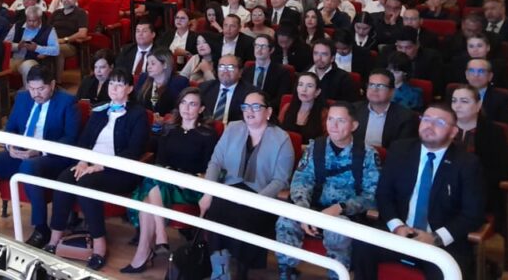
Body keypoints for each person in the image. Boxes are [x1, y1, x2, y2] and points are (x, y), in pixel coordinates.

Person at [352, 103, 486, 280]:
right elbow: (384, 195)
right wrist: (397, 226)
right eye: (426, 119)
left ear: (453, 132)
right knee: (362, 246)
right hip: (400, 232)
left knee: (449, 271)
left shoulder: (467, 163)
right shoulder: (400, 149)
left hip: (441, 242)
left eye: (439, 122)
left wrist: (436, 238)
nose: (429, 125)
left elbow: (472, 214)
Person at [43, 69, 149, 271]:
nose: (114, 88)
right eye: (111, 84)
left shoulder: (138, 114)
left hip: (120, 170)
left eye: (119, 84)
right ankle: (54, 238)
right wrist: (83, 162)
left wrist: (101, 165)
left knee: (86, 183)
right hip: (91, 165)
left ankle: (99, 245)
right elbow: (84, 141)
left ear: (129, 89)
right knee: (65, 178)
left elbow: (134, 151)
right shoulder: (100, 111)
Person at [0, 66, 80, 247]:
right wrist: (10, 146)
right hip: (21, 152)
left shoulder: (67, 102)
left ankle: (41, 228)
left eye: (41, 89)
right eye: (32, 89)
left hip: (51, 157)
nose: (36, 94)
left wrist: (39, 151)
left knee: (29, 166)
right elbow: (10, 128)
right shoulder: (22, 98)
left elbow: (70, 139)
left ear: (52, 84)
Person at [276, 102, 381, 280]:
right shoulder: (315, 147)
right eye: (330, 119)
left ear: (354, 125)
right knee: (286, 220)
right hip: (313, 208)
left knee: (337, 230)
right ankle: (286, 271)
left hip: (345, 214)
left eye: (341, 120)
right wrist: (303, 209)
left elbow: (371, 196)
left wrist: (340, 208)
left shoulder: (368, 154)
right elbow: (302, 180)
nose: (333, 125)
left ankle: (337, 275)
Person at [199, 90, 295, 279]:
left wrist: (257, 201)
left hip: (262, 196)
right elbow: (215, 162)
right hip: (231, 189)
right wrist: (208, 193)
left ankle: (242, 269)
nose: (249, 111)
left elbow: (280, 180)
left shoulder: (282, 138)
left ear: (268, 112)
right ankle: (220, 270)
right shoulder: (233, 128)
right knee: (217, 208)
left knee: (246, 214)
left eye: (256, 107)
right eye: (245, 107)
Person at [122, 88, 217, 274]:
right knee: (153, 183)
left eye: (192, 104)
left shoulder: (208, 135)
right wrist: (173, 176)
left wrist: (188, 178)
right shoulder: (169, 130)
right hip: (168, 182)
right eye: (183, 103)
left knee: (149, 192)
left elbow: (211, 169)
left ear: (201, 109)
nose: (186, 108)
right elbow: (161, 162)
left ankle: (152, 245)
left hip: (193, 186)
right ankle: (153, 242)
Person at [450, 85, 508, 218]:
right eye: (454, 101)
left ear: (478, 105)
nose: (457, 106)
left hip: (478, 192)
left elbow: (503, 171)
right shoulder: (443, 128)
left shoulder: (494, 132)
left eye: (464, 101)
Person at [354, 69, 420, 150]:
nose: (374, 89)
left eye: (380, 86)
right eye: (371, 85)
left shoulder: (406, 118)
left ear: (392, 92)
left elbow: (403, 151)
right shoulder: (353, 110)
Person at [6, 5, 59, 87]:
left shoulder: (48, 29)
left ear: (40, 19)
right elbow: (5, 44)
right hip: (14, 59)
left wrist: (37, 48)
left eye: (34, 21)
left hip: (32, 60)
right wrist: (17, 46)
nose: (31, 23)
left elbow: (56, 50)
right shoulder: (17, 25)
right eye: (29, 20)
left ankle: (30, 93)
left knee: (28, 67)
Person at [133, 48, 188, 117]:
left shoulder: (179, 82)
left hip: (168, 122)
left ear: (165, 65)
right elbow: (135, 102)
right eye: (148, 64)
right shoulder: (143, 78)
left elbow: (180, 109)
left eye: (153, 64)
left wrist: (165, 119)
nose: (149, 67)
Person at [199, 54, 254, 125]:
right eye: (221, 67)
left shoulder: (250, 93)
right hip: (207, 129)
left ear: (240, 72)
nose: (225, 71)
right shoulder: (205, 88)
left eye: (230, 67)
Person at [50, 0, 89, 82]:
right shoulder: (56, 13)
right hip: (53, 41)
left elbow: (82, 33)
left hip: (70, 44)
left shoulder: (81, 13)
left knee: (56, 50)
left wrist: (64, 40)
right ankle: (43, 80)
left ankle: (56, 82)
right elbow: (47, 29)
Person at [240, 34, 290, 107]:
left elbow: (280, 99)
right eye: (257, 46)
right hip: (247, 108)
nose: (259, 50)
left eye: (263, 46)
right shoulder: (246, 71)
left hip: (269, 109)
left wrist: (262, 108)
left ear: (271, 50)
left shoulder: (282, 72)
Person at [278, 72, 326, 144]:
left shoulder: (324, 114)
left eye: (309, 86)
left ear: (317, 92)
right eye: (300, 85)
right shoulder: (287, 107)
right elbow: (277, 133)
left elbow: (325, 143)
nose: (304, 89)